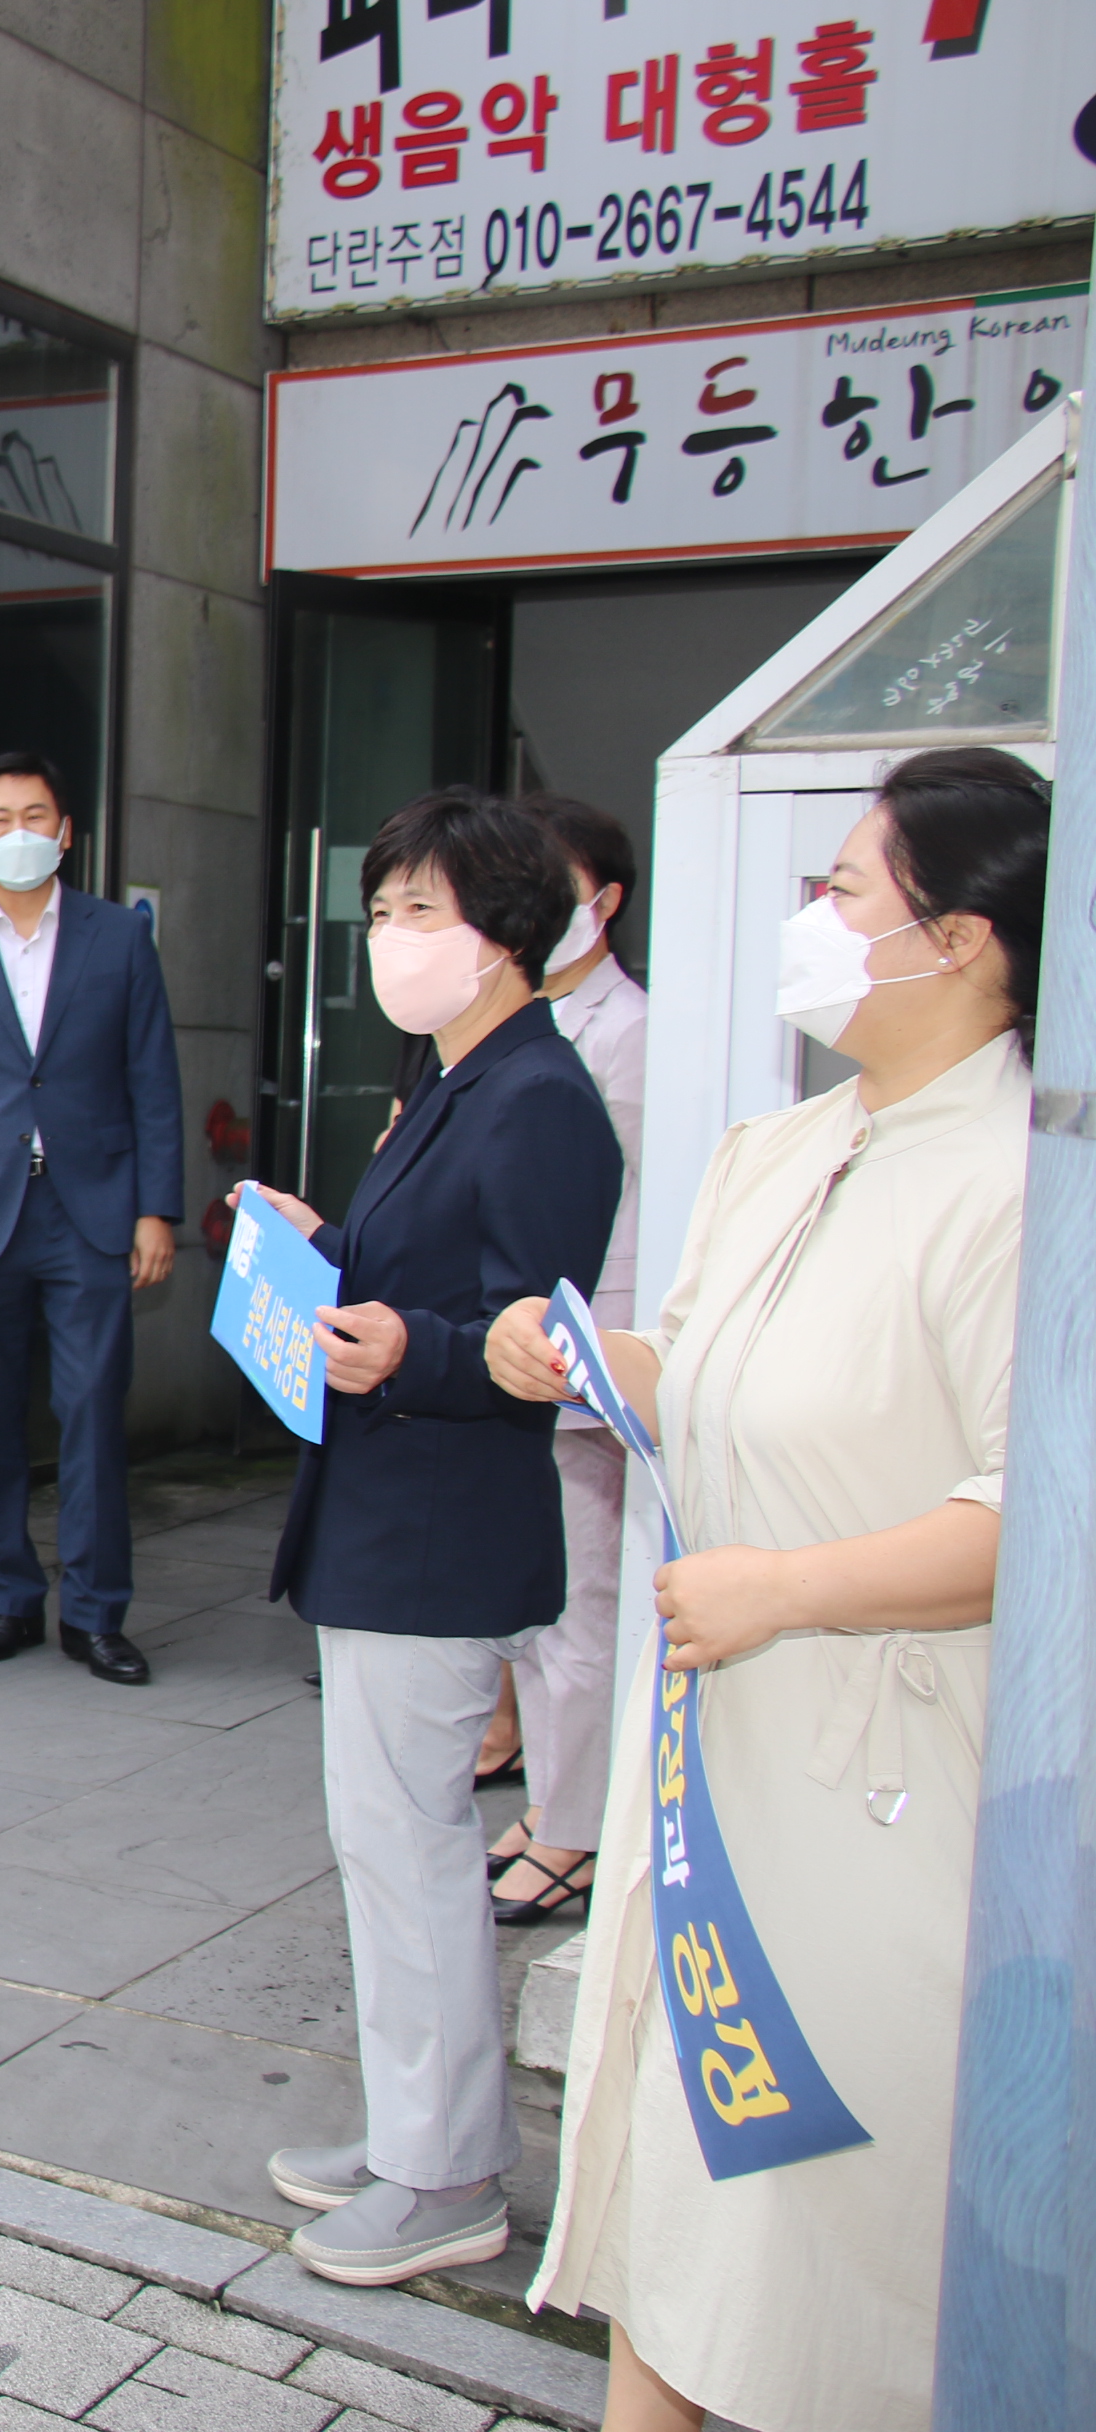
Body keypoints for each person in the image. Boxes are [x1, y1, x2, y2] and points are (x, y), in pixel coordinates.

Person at [505, 749, 1042, 2432]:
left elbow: (1035, 1512)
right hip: (712, 1757)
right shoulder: (779, 1145)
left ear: (955, 939)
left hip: (876, 1791)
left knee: (822, 2240)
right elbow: (697, 1371)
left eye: (843, 888)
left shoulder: (1025, 1182)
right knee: (676, 2197)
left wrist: (793, 1590)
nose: (809, 917)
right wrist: (580, 1356)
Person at [245, 787, 620, 2287]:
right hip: (388, 1510)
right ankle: (420, 2129)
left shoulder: (536, 1097)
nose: (390, 936)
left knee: (409, 1848)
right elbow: (426, 1273)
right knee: (386, 1843)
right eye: (384, 908)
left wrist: (413, 1348)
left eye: (421, 910)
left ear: (505, 929)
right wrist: (323, 1249)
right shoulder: (457, 1075)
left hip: (438, 1525)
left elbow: (534, 1336)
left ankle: (449, 2172)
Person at [0, 750, 184, 1685]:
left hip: (91, 1211)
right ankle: (8, 1597)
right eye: (1, 819)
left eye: (36, 816)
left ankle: (95, 1614)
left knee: (91, 1412)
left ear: (66, 831)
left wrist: (157, 1208)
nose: (20, 833)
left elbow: (154, 1081)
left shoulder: (119, 937)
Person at [477, 793, 647, 1927]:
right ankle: (554, 1803)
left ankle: (576, 1832)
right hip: (521, 1350)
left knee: (580, 1607)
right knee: (537, 1610)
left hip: (582, 1355)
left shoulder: (632, 1030)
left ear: (606, 901)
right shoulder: (521, 1022)